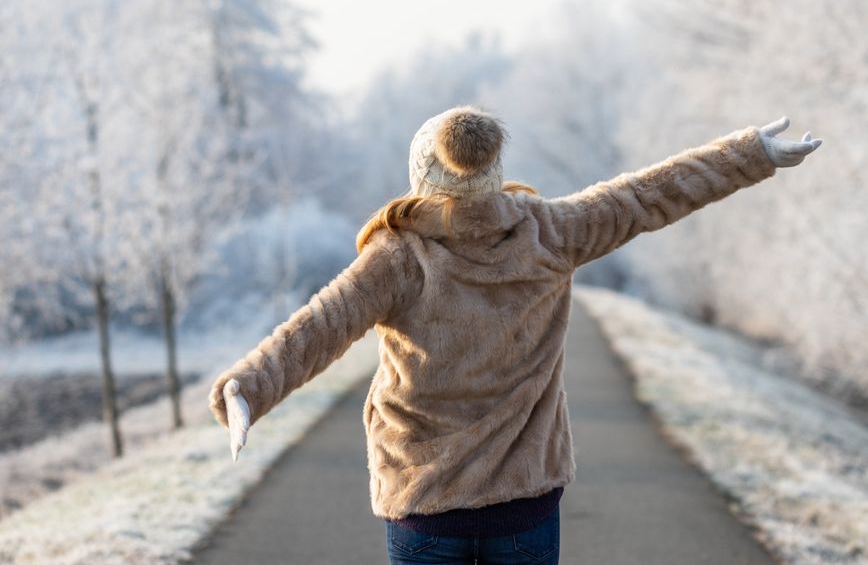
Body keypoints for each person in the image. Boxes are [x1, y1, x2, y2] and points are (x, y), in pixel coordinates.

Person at [208, 106, 821, 564]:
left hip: (423, 503)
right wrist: (752, 154)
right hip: (525, 502)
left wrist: (248, 387)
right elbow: (648, 195)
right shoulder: (551, 231)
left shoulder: (396, 256)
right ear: (492, 171)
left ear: (423, 174)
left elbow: (319, 326)